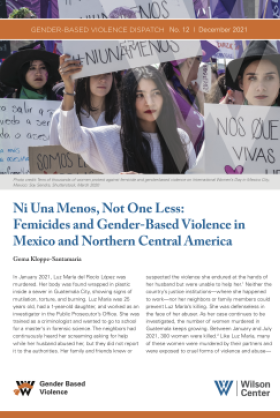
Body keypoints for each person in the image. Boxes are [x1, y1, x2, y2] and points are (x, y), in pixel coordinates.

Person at [56, 55, 196, 174]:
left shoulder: (181, 139)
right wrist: (69, 89)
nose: (149, 102)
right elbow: (72, 141)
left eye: (155, 93)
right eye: (140, 95)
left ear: (164, 97)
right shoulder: (111, 138)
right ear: (129, 100)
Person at [50, 72, 121, 145]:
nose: (103, 79)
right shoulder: (60, 116)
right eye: (96, 72)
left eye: (108, 73)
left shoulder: (123, 116)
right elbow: (54, 154)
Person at [160, 57, 204, 156]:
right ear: (189, 62)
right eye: (200, 59)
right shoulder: (167, 91)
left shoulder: (184, 92)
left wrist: (201, 99)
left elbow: (200, 124)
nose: (200, 65)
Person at [225, 40, 280, 106]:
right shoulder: (223, 115)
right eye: (252, 78)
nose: (260, 88)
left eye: (269, 78)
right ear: (241, 82)